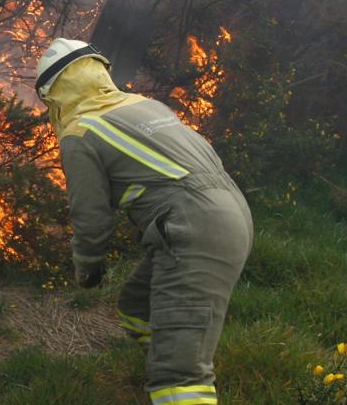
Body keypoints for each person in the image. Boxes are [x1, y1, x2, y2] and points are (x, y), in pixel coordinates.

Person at [35, 38, 254, 405]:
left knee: (178, 377)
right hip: (232, 213)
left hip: (193, 228)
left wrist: (87, 269)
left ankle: (179, 375)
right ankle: (175, 350)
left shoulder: (80, 132)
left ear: (54, 95)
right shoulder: (145, 105)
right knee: (138, 308)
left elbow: (90, 216)